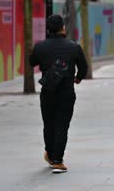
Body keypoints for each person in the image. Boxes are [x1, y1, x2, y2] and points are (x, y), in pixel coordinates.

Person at [30, 14, 88, 174]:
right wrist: (78, 78)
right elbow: (83, 67)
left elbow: (31, 62)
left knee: (48, 124)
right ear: (63, 28)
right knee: (62, 125)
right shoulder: (74, 47)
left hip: (47, 92)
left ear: (48, 29)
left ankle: (50, 153)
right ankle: (57, 160)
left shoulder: (40, 46)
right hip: (66, 93)